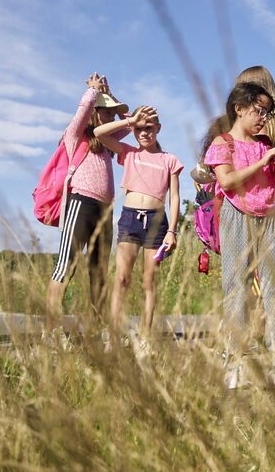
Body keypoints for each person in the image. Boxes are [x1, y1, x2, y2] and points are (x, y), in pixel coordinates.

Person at [203, 82, 275, 388]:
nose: (263, 118)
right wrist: (262, 162)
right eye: (258, 111)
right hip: (235, 215)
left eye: (267, 112)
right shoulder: (223, 143)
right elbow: (227, 181)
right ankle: (236, 359)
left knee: (274, 286)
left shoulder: (266, 145)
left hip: (267, 218)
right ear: (239, 109)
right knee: (236, 287)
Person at [45, 73, 129, 329]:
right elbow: (81, 113)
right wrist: (93, 92)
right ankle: (51, 329)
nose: (113, 118)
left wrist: (111, 95)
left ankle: (96, 327)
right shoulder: (75, 136)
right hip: (80, 202)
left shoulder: (106, 142)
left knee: (99, 271)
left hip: (104, 209)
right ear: (95, 112)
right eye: (108, 113)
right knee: (66, 265)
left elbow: (129, 125)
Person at [94, 106, 183, 339]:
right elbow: (99, 133)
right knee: (122, 278)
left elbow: (174, 197)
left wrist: (172, 231)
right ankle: (112, 333)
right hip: (130, 218)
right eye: (140, 129)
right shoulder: (129, 153)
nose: (144, 133)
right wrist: (129, 121)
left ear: (158, 129)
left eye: (149, 128)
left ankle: (146, 335)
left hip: (157, 223)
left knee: (149, 281)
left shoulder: (169, 160)